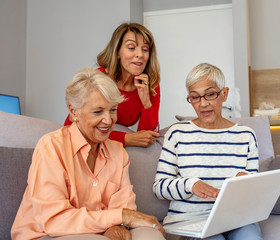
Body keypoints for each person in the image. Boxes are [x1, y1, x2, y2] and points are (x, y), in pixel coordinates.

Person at [11, 68, 165, 240]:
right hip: (46, 233)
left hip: (98, 230)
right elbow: (55, 220)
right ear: (74, 112)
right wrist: (120, 217)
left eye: (113, 110)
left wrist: (117, 224)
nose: (108, 120)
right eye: (98, 111)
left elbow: (123, 206)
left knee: (151, 236)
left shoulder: (117, 152)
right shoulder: (51, 146)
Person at [153, 63, 262, 240]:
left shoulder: (246, 136)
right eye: (195, 97)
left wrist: (247, 184)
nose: (203, 104)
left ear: (224, 94)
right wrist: (191, 184)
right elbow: (160, 187)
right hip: (188, 221)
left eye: (210, 94)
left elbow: (252, 194)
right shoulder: (177, 133)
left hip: (234, 219)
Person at [64, 22, 160, 148]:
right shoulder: (97, 79)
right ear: (117, 51)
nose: (140, 55)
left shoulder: (151, 85)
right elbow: (72, 126)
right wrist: (125, 138)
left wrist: (146, 103)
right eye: (131, 47)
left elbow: (146, 137)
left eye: (145, 49)